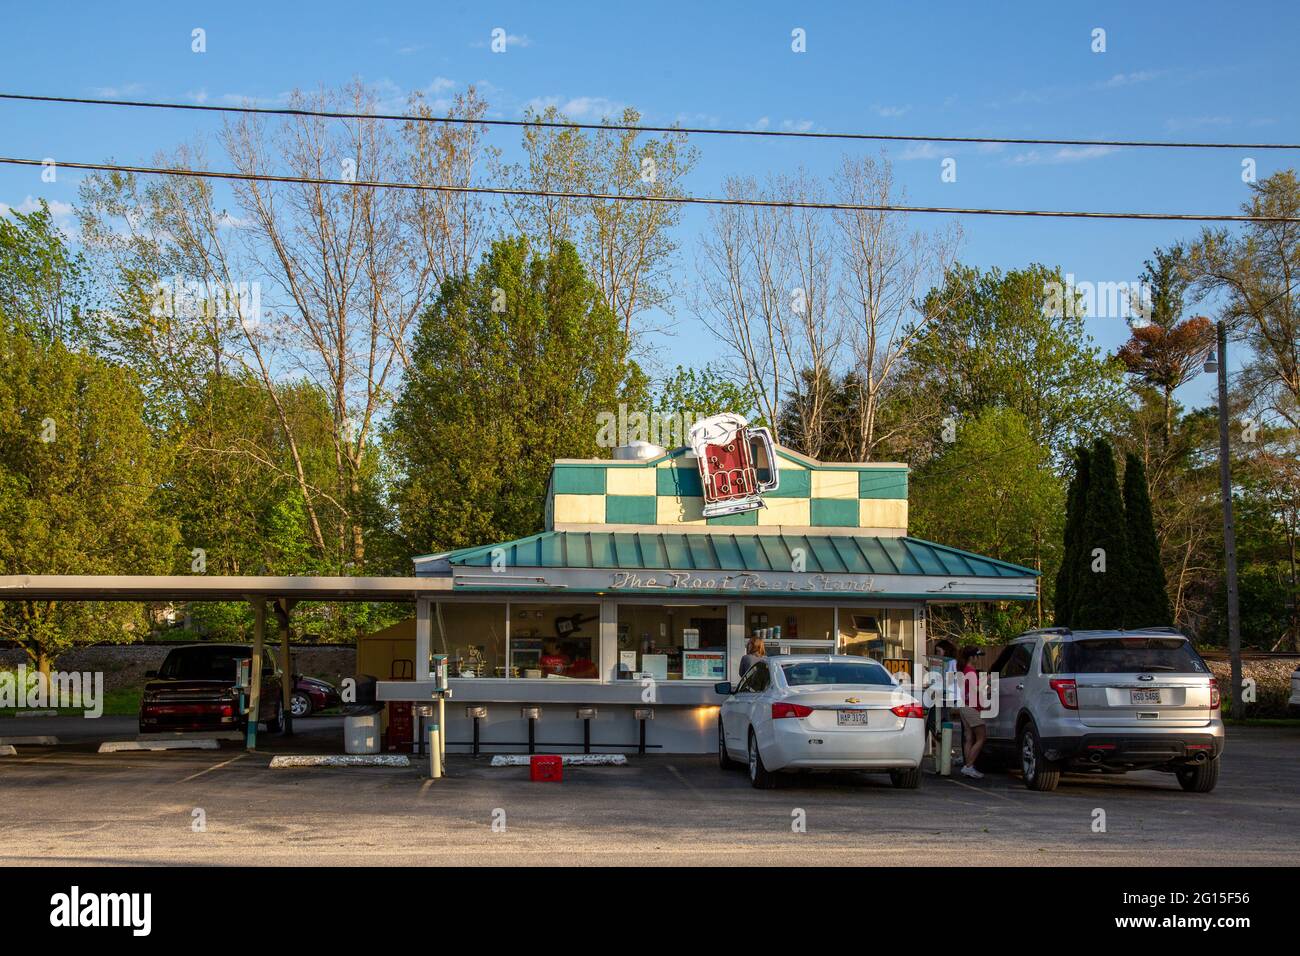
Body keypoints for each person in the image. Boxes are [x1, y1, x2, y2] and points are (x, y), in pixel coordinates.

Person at [956, 645, 987, 779]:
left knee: (969, 737)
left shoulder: (964, 670)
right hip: (972, 707)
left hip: (964, 706)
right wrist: (988, 684)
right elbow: (977, 689)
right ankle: (969, 766)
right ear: (972, 657)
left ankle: (968, 765)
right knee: (981, 737)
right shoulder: (970, 671)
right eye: (977, 656)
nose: (978, 659)